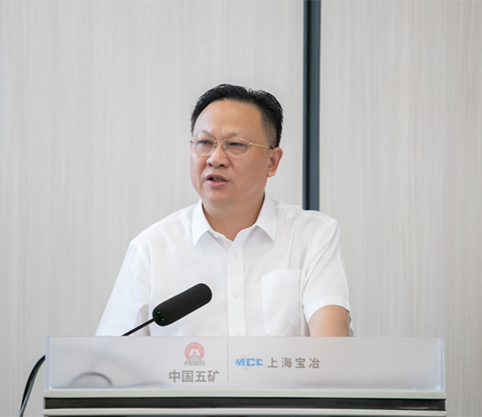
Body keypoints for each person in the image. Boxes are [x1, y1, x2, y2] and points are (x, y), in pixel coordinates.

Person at [96, 84, 351, 337]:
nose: (215, 158)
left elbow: (331, 347)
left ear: (272, 162)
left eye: (235, 144)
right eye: (204, 142)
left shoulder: (312, 236)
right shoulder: (151, 249)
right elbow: (110, 356)